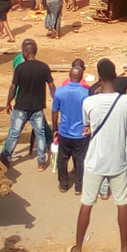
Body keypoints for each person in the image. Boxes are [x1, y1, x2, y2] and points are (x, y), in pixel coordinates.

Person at [68, 58, 127, 252]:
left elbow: (88, 124)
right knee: (122, 203)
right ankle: (124, 248)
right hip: (117, 161)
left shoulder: (89, 102)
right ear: (115, 76)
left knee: (87, 203)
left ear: (99, 78)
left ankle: (78, 250)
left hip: (95, 161)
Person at [1, 39, 54, 168]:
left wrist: (8, 102)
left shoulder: (20, 68)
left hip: (21, 107)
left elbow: (13, 87)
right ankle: (41, 162)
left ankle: (6, 159)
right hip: (37, 108)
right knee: (40, 134)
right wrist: (57, 101)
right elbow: (52, 86)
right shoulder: (44, 67)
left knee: (14, 134)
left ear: (26, 52)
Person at [52, 66, 90, 194]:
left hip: (64, 132)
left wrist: (55, 128)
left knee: (62, 159)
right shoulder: (86, 93)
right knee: (80, 160)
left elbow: (54, 112)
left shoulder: (59, 92)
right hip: (81, 133)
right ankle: (79, 187)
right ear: (81, 77)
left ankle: (63, 184)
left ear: (69, 75)